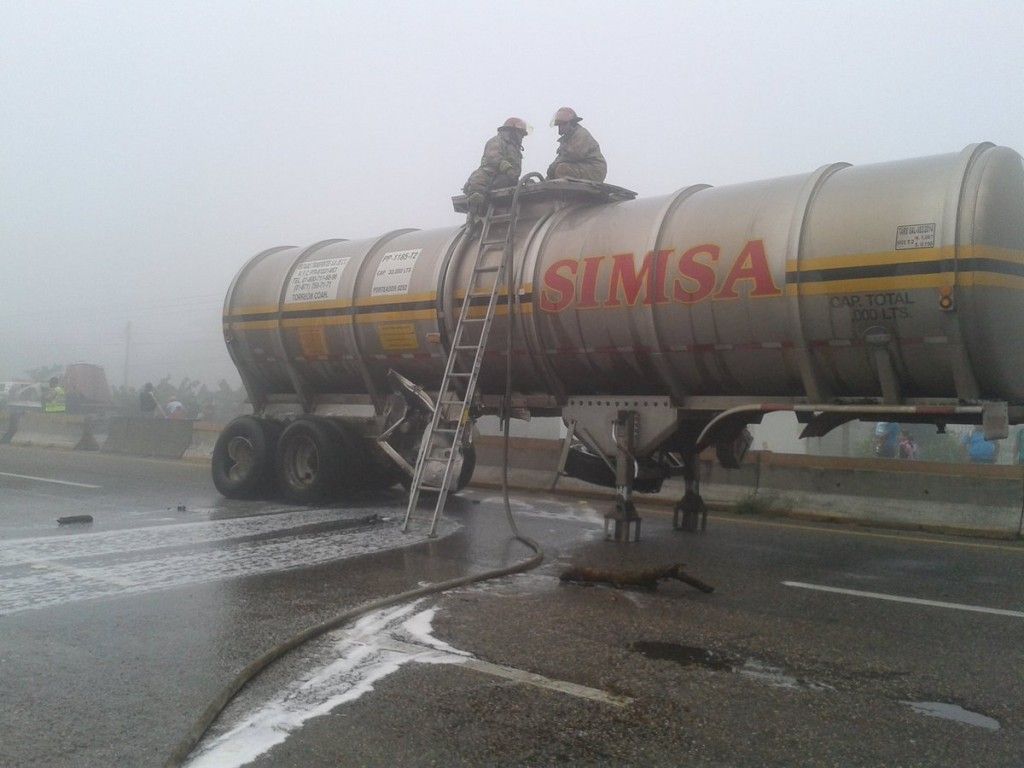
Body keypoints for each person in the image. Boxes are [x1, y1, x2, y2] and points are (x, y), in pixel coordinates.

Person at [462, 117, 529, 223]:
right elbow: (494, 157)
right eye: (520, 133)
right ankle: (476, 203)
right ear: (512, 131)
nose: (521, 137)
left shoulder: (514, 147)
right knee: (478, 181)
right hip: (491, 175)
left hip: (506, 179)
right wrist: (507, 168)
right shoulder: (496, 141)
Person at [546, 107, 607, 183]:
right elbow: (561, 158)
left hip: (594, 170)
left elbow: (573, 155)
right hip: (583, 166)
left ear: (572, 123)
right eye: (559, 125)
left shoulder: (581, 134)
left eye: (563, 124)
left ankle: (564, 194)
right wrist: (545, 180)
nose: (560, 128)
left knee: (562, 169)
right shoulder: (568, 139)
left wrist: (554, 166)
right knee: (557, 170)